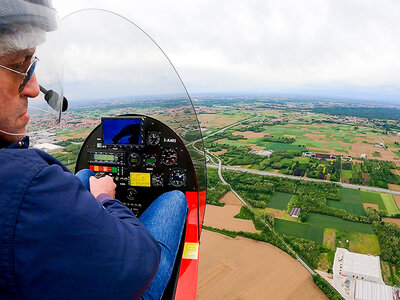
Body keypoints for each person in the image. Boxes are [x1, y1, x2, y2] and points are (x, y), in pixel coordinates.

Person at [0, 1, 188, 299]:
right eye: (20, 67)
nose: (34, 88)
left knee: (87, 172)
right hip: (129, 281)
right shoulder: (27, 184)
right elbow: (140, 263)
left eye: (32, 65)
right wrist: (105, 200)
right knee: (176, 198)